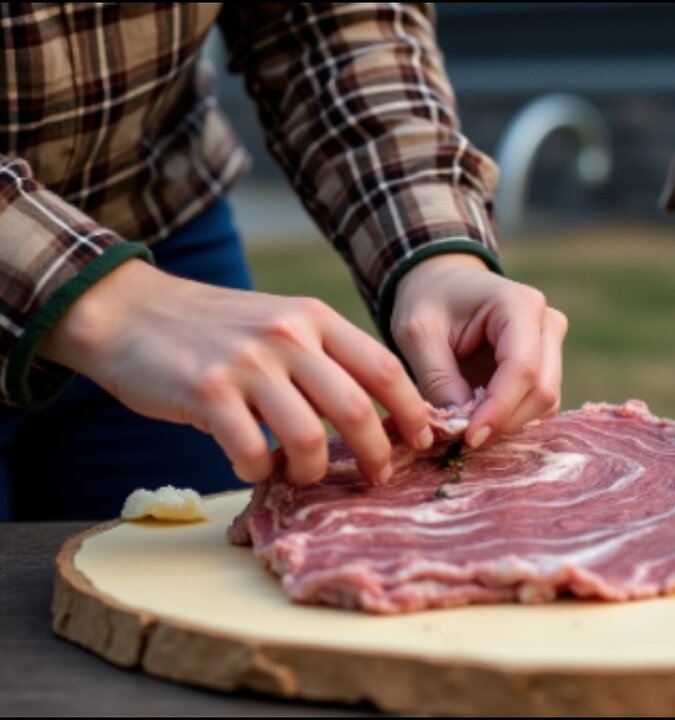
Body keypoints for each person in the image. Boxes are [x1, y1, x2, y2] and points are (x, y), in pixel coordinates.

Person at [0, 4, 566, 521]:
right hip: (144, 304)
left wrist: (436, 251)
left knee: (206, 584)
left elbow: (328, 22)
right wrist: (107, 303)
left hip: (160, 223)